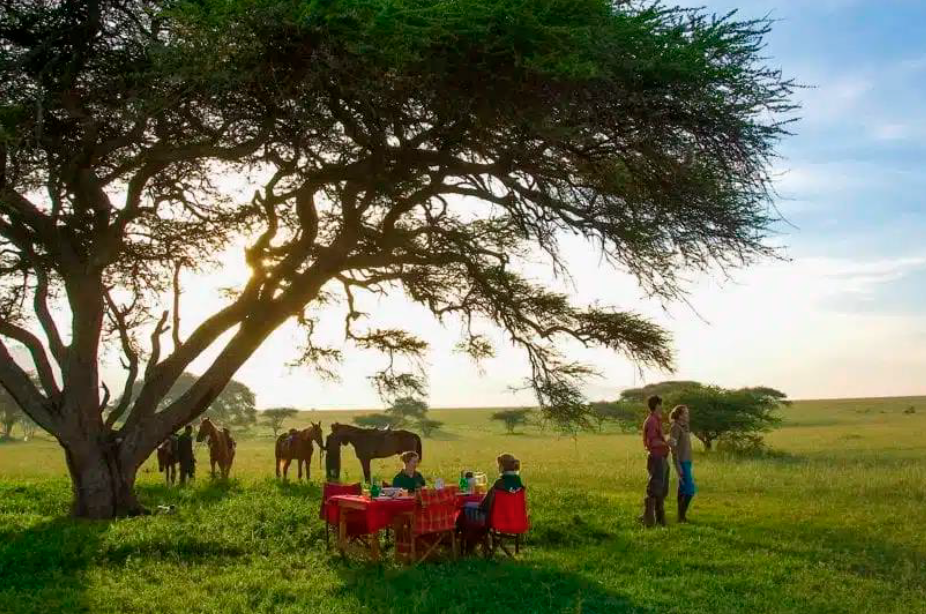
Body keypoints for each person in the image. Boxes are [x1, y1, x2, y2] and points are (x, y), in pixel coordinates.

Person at [459, 453, 525, 552]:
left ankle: (465, 547)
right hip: (515, 519)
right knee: (480, 517)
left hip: (498, 520)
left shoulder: (499, 483)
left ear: (502, 467)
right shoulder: (518, 483)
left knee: (465, 510)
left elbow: (485, 505)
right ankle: (480, 546)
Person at [641, 395, 670, 527]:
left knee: (662, 489)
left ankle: (658, 519)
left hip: (661, 457)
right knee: (655, 489)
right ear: (657, 405)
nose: (662, 407)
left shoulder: (656, 420)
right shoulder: (652, 421)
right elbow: (652, 442)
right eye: (661, 404)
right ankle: (649, 519)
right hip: (657, 457)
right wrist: (667, 442)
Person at [668, 404, 696, 523]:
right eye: (685, 413)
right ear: (679, 415)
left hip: (687, 461)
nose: (687, 415)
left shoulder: (685, 427)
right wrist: (678, 466)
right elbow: (673, 449)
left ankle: (681, 517)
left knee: (682, 489)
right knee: (690, 490)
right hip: (682, 462)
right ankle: (681, 516)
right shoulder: (675, 428)